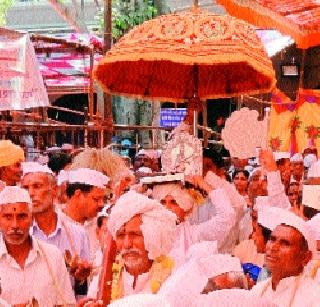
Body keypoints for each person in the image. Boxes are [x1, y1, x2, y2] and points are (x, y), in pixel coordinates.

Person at [21, 162, 91, 297]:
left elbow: (82, 290)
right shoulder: (17, 236)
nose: (30, 193)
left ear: (54, 190)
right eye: (25, 188)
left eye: (37, 186)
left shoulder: (77, 234)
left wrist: (80, 278)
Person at [0, 186, 75, 306]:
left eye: (21, 216)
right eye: (8, 217)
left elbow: (68, 303)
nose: (15, 225)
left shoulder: (52, 256)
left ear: (31, 219)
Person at [152, 177, 236, 263]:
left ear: (186, 208)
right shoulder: (148, 233)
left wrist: (203, 184)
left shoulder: (195, 235)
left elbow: (227, 216)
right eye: (162, 202)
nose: (167, 207)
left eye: (174, 202)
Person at [251, 207, 320, 306]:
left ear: (305, 257)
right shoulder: (258, 291)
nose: (273, 247)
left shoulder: (314, 297)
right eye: (272, 239)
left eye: (285, 243)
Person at [63, 168, 109, 261]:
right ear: (78, 194)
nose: (101, 204)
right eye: (96, 199)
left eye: (103, 199)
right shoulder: (57, 223)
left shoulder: (100, 225)